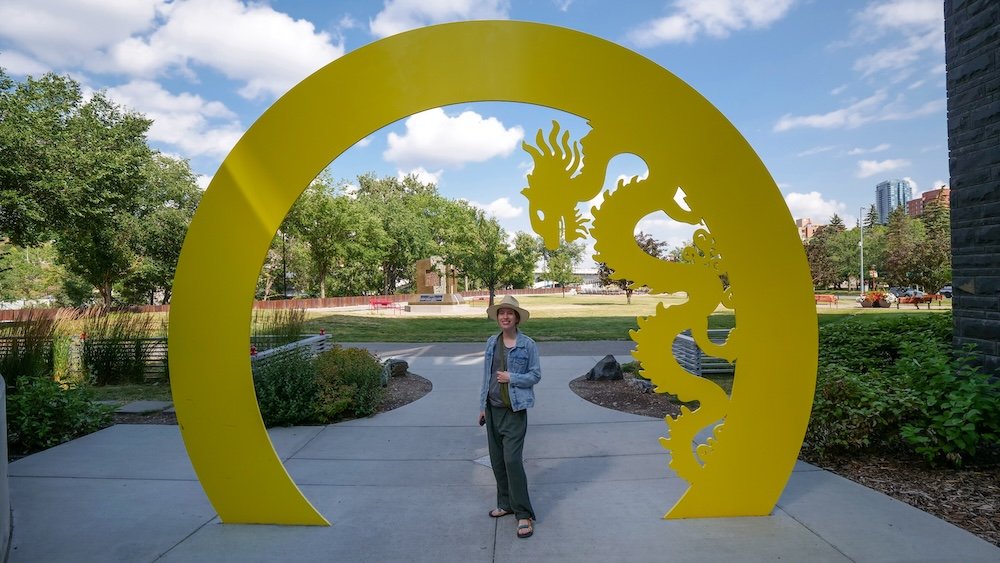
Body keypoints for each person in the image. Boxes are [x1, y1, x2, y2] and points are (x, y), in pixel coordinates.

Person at [479, 295, 541, 539]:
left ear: (517, 318)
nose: (505, 317)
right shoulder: (491, 343)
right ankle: (505, 503)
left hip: (514, 412)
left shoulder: (528, 345)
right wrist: (482, 406)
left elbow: (535, 375)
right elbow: (486, 376)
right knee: (497, 461)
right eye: (501, 313)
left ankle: (523, 513)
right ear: (497, 317)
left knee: (512, 461)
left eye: (510, 313)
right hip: (492, 410)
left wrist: (512, 378)